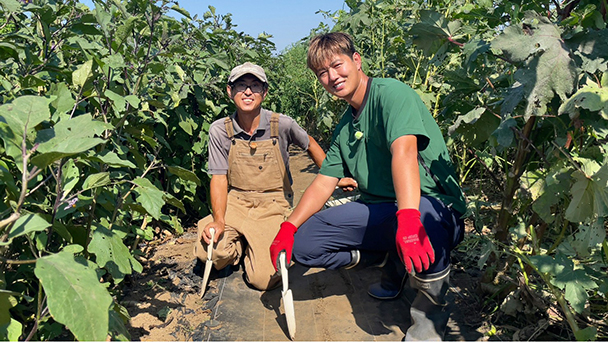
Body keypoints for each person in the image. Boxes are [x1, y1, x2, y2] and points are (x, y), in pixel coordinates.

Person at [269, 32, 467, 340]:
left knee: (425, 223)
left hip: (431, 205)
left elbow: (404, 152)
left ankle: (429, 324)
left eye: (337, 65)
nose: (332, 76)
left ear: (356, 60)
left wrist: (409, 219)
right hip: (383, 210)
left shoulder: (391, 95)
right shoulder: (346, 126)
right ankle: (391, 259)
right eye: (323, 72)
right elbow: (323, 182)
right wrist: (289, 227)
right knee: (304, 244)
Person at [193, 62, 329, 291]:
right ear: (229, 91)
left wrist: (332, 176)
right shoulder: (220, 130)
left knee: (264, 279)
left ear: (264, 93)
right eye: (241, 86)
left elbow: (309, 143)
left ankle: (255, 246)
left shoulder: (281, 124)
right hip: (236, 201)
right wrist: (219, 220)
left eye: (255, 86)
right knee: (209, 251)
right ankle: (238, 245)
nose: (248, 91)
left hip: (273, 204)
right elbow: (218, 178)